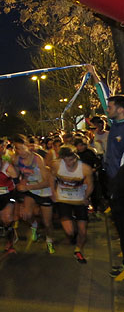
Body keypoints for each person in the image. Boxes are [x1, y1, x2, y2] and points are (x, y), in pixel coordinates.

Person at [87, 65, 124, 276]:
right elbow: (104, 96)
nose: (106, 109)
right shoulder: (115, 124)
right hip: (114, 182)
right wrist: (94, 75)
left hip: (121, 182)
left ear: (120, 109)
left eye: (110, 107)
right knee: (119, 222)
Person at [12, 134, 55, 254]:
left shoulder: (38, 159)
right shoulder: (16, 160)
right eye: (17, 149)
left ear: (28, 146)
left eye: (22, 148)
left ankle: (49, 240)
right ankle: (34, 224)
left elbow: (46, 182)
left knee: (47, 222)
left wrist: (27, 186)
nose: (20, 152)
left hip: (44, 190)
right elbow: (17, 175)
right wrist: (20, 183)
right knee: (26, 215)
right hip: (31, 190)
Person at [50, 145, 94, 263]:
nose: (69, 163)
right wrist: (53, 192)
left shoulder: (85, 168)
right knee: (69, 231)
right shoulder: (56, 165)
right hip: (63, 199)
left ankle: (78, 250)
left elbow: (90, 185)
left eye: (71, 160)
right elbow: (52, 177)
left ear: (76, 157)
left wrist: (86, 197)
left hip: (79, 199)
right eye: (66, 160)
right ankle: (73, 232)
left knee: (83, 231)